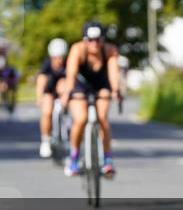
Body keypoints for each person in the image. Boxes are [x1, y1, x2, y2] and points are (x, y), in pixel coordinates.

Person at [61, 21, 122, 178]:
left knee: (102, 117)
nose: (94, 44)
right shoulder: (77, 50)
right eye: (90, 40)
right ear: (84, 40)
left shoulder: (110, 50)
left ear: (103, 40)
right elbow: (71, 74)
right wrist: (68, 93)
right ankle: (73, 158)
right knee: (81, 119)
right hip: (80, 85)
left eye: (98, 40)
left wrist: (115, 90)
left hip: (101, 84)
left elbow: (114, 73)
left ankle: (107, 159)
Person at [37, 38, 69, 158]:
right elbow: (41, 79)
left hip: (63, 90)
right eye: (56, 57)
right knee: (46, 111)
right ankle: (45, 140)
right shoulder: (47, 64)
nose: (59, 60)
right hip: (49, 90)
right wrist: (39, 96)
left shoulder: (68, 63)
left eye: (61, 57)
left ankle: (67, 127)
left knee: (63, 85)